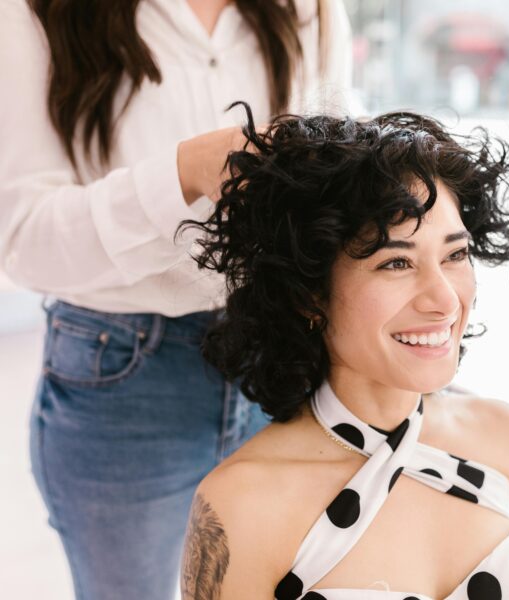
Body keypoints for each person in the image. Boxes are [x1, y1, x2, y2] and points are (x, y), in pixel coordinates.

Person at [0, 1, 353, 599]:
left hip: (281, 354)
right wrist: (185, 173)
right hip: (124, 376)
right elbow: (22, 238)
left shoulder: (309, 10)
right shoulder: (33, 12)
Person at [178, 106, 509, 599]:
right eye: (396, 263)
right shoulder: (242, 503)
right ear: (310, 294)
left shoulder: (502, 435)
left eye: (455, 255)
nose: (444, 300)